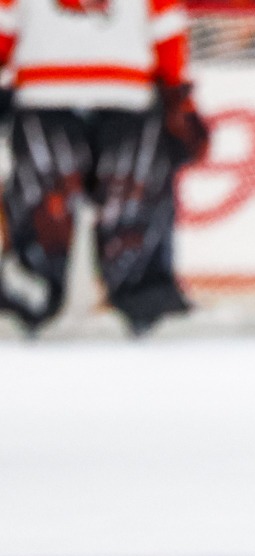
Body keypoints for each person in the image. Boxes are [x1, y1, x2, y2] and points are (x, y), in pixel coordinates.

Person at [0, 0, 208, 335]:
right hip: (87, 97)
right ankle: (138, 298)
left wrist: (176, 94)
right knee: (83, 204)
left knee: (110, 204)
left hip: (73, 98)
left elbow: (166, 22)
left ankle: (139, 299)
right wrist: (176, 91)